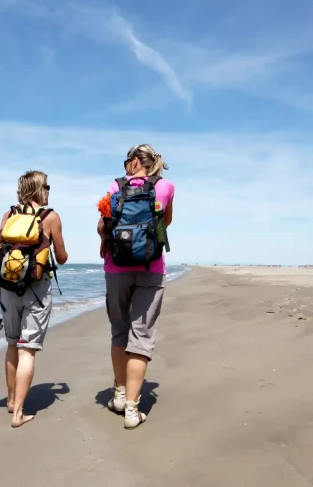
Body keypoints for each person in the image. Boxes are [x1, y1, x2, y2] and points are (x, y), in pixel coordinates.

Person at [0, 170, 68, 428]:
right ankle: (18, 413)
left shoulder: (8, 215)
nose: (49, 191)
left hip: (7, 289)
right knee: (27, 349)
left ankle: (10, 401)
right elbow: (62, 258)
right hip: (36, 291)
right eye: (47, 186)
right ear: (39, 189)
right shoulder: (50, 217)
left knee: (11, 344)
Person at [97, 144, 174, 429]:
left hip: (116, 267)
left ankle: (119, 395)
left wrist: (108, 237)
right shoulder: (165, 187)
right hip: (151, 267)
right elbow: (165, 222)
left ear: (132, 162)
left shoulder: (115, 187)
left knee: (119, 331)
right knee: (141, 336)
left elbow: (102, 225)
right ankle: (132, 409)